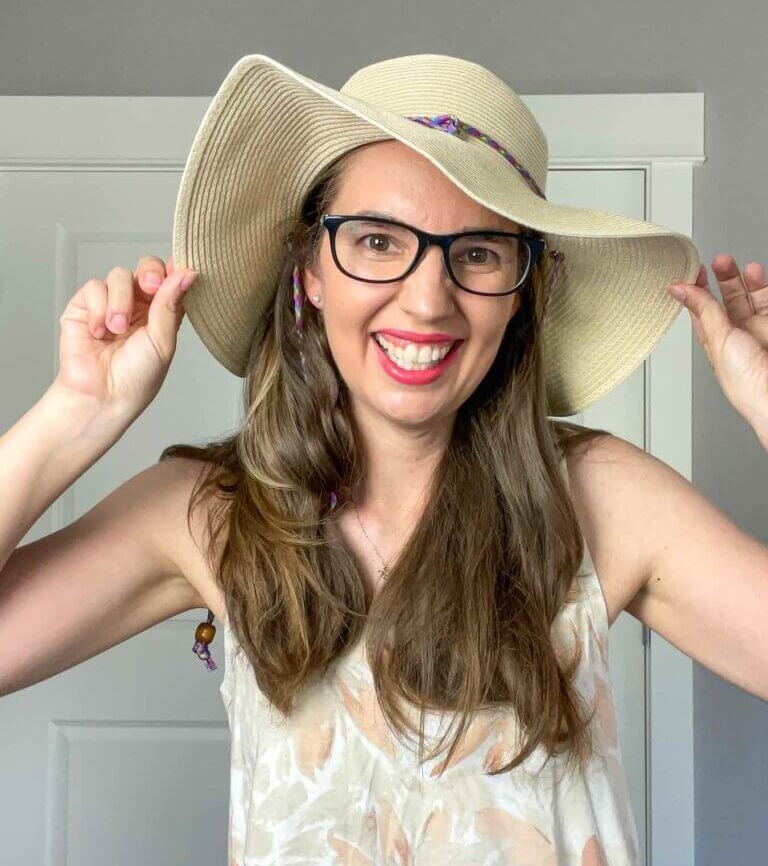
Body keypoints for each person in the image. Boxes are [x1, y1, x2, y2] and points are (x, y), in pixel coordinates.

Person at [2, 53, 767, 866]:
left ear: (522, 292)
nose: (428, 299)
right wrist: (79, 416)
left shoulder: (600, 499)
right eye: (376, 241)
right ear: (310, 274)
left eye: (476, 253)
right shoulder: (213, 511)